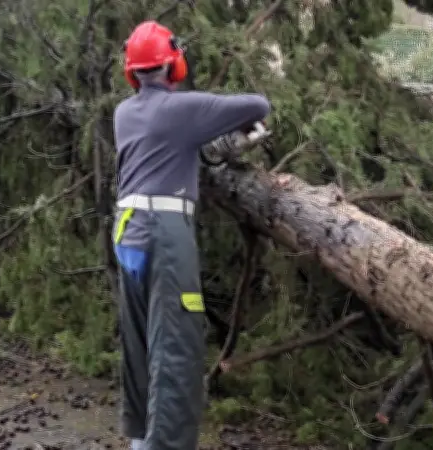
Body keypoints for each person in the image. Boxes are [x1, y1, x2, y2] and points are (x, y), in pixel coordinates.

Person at [112, 21, 270, 450]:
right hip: (163, 231)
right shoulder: (180, 110)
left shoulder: (124, 113)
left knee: (141, 339)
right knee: (176, 343)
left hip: (126, 230)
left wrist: (205, 145)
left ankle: (140, 441)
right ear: (173, 64)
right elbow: (259, 103)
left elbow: (165, 148)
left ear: (133, 71)